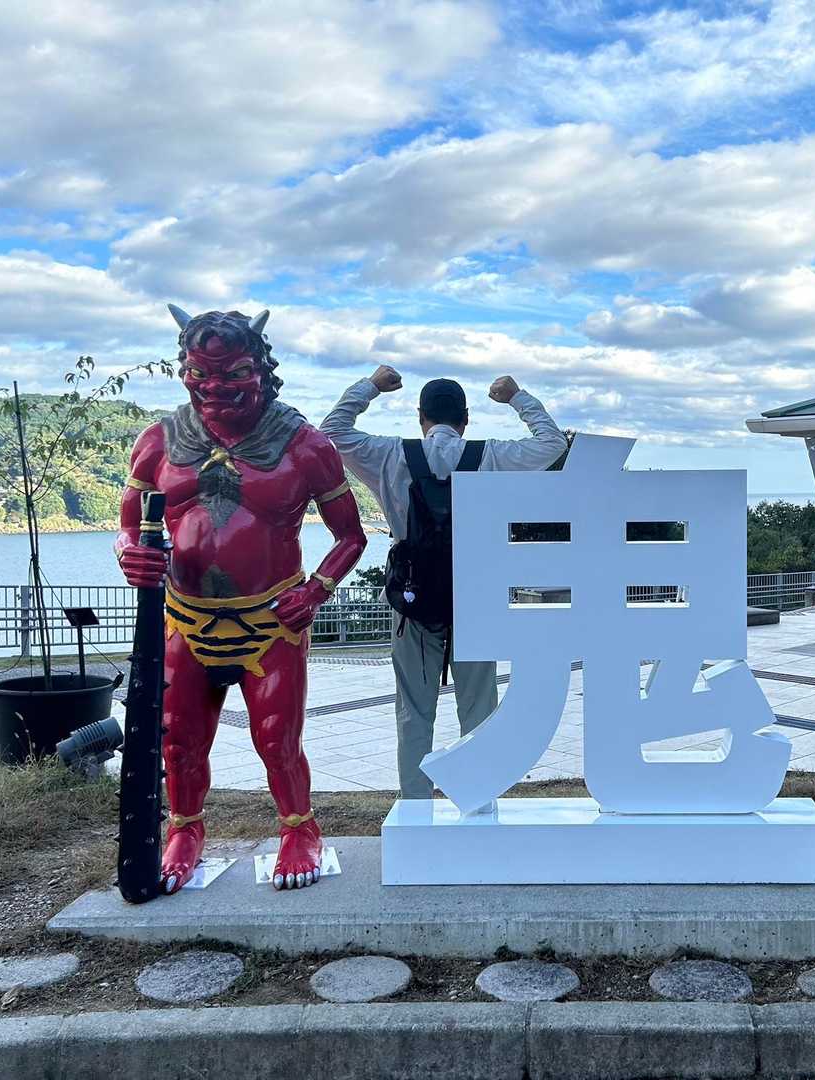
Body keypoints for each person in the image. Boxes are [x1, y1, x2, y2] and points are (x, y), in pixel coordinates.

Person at [116, 306, 367, 893]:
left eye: (233, 374)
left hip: (271, 620)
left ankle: (299, 829)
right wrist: (130, 552)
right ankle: (184, 830)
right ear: (184, 370)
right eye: (200, 374)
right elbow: (129, 524)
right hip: (185, 618)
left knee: (277, 737)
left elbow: (351, 536)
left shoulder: (305, 445)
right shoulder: (157, 441)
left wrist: (317, 589)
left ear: (261, 370)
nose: (215, 388)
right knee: (177, 737)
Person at [322, 365, 567, 798]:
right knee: (479, 711)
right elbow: (552, 443)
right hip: (476, 603)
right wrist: (517, 397)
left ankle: (416, 806)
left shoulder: (390, 455)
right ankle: (479, 800)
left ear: (421, 417)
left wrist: (371, 387)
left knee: (414, 712)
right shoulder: (491, 457)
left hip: (413, 604)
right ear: (465, 419)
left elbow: (331, 433)